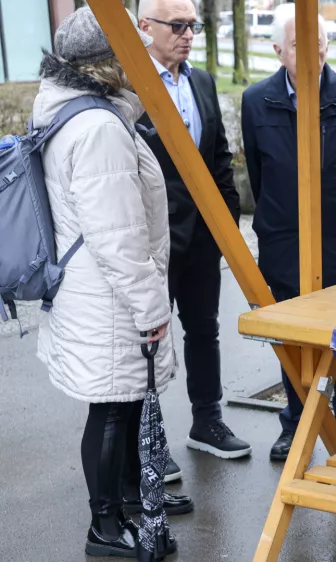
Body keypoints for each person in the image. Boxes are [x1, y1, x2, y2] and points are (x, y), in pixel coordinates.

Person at [33, 7, 180, 556]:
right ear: (106, 63)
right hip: (109, 295)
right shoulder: (97, 128)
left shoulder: (69, 111)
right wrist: (150, 309)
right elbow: (117, 234)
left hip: (90, 289)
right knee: (113, 408)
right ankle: (105, 526)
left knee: (114, 406)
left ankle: (120, 511)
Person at [242, 4, 336, 461]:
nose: (313, 54)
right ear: (278, 49)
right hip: (283, 239)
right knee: (291, 336)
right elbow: (259, 175)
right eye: (301, 45)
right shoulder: (256, 101)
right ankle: (297, 423)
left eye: (320, 45)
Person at [137, 0, 252, 472]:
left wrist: (229, 229)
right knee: (149, 340)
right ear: (145, 27)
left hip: (203, 238)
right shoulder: (130, 86)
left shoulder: (201, 80)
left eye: (193, 25)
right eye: (177, 26)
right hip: (152, 241)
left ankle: (208, 421)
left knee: (204, 330)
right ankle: (151, 440)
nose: (188, 34)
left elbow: (220, 159)